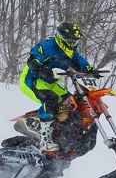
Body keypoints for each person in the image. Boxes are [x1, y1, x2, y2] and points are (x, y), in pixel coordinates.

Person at [19, 21, 96, 151]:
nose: (73, 44)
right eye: (71, 41)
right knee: (51, 100)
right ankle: (45, 141)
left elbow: (80, 62)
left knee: (71, 102)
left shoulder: (71, 52)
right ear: (62, 38)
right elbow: (33, 59)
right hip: (32, 79)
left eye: (75, 41)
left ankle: (62, 135)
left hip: (51, 83)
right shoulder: (47, 46)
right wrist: (42, 70)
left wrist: (90, 70)